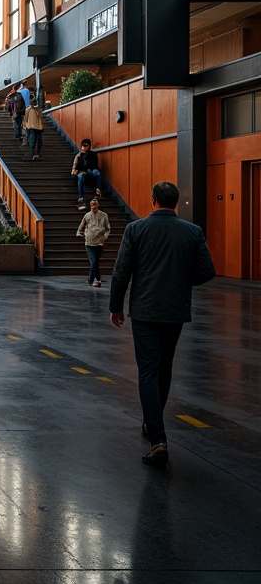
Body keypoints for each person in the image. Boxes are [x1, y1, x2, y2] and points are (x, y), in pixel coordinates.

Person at [109, 181, 216, 467]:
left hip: (145, 311)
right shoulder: (192, 232)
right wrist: (181, 282)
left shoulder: (136, 229)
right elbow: (207, 271)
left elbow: (121, 273)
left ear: (153, 199)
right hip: (175, 311)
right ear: (176, 202)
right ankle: (152, 423)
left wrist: (115, 307)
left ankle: (158, 437)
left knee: (147, 370)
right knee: (164, 368)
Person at [77, 197, 110, 286]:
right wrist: (82, 234)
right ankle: (94, 280)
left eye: (95, 204)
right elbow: (80, 228)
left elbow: (107, 229)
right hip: (89, 242)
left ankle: (94, 279)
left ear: (98, 205)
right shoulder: (87, 216)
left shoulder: (104, 215)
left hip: (99, 242)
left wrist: (104, 237)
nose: (93, 206)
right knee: (93, 261)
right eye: (91, 204)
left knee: (95, 261)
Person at [72, 138, 103, 208]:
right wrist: (76, 170)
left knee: (97, 172)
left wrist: (86, 166)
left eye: (85, 146)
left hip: (91, 171)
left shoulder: (93, 154)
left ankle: (98, 190)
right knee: (80, 176)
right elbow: (78, 166)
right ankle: (81, 198)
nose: (83, 148)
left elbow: (94, 165)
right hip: (84, 173)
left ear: (88, 147)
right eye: (83, 146)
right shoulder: (80, 156)